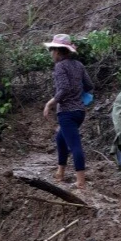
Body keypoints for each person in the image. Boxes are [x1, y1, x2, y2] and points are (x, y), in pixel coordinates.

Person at [43, 34, 93, 190]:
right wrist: (78, 94)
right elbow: (89, 85)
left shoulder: (60, 66)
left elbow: (63, 89)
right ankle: (60, 172)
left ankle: (81, 181)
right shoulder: (78, 65)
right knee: (60, 138)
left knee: (75, 145)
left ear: (58, 51)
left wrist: (50, 103)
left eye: (52, 51)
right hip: (79, 112)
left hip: (67, 112)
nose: (52, 54)